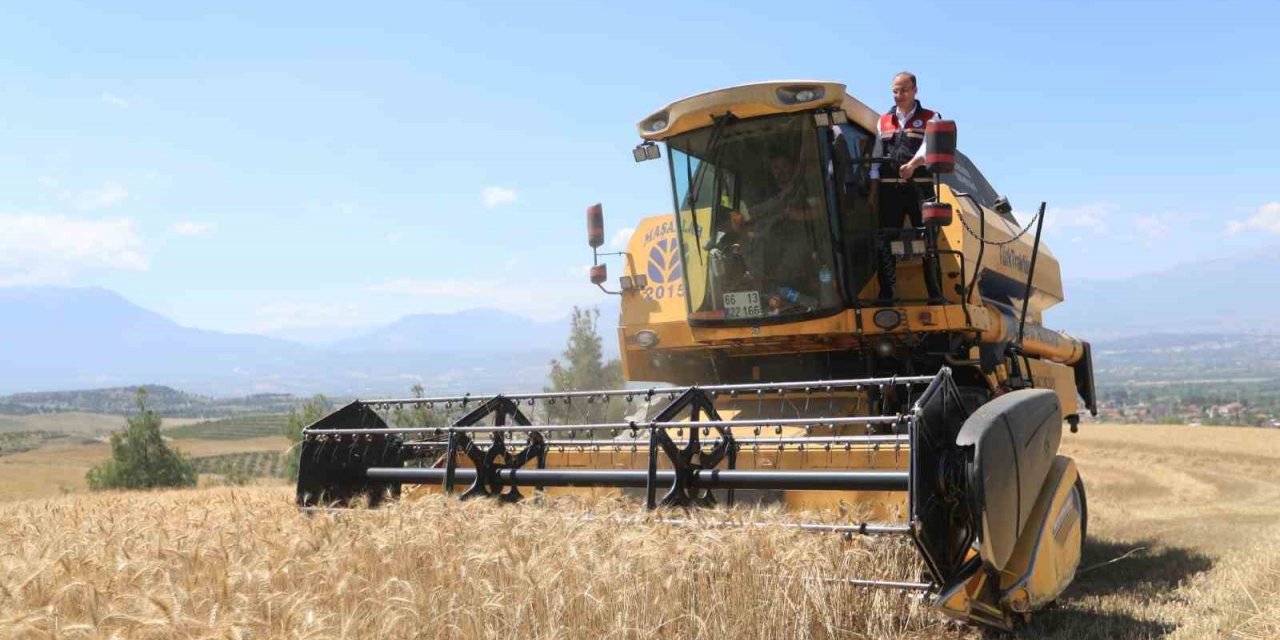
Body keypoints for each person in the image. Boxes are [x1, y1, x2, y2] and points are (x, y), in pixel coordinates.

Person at [871, 71, 945, 304]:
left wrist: (913, 165)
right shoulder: (883, 120)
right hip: (889, 190)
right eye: (895, 91)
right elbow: (876, 156)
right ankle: (886, 294)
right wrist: (873, 189)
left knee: (928, 241)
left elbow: (928, 147)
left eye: (904, 90)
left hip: (920, 189)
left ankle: (935, 294)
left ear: (915, 91)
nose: (899, 95)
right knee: (886, 241)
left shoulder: (931, 117)